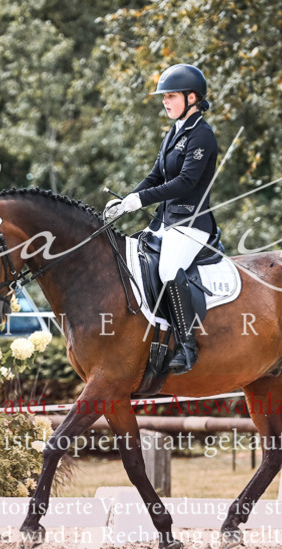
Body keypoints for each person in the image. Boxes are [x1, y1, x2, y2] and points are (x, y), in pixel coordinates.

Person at [105, 63, 219, 375]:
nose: (165, 102)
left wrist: (139, 200)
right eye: (164, 97)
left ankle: (187, 345)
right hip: (165, 223)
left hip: (192, 225)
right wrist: (126, 200)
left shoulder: (202, 136)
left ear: (191, 97)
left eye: (171, 96)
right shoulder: (174, 132)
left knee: (169, 268)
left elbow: (185, 183)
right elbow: (156, 175)